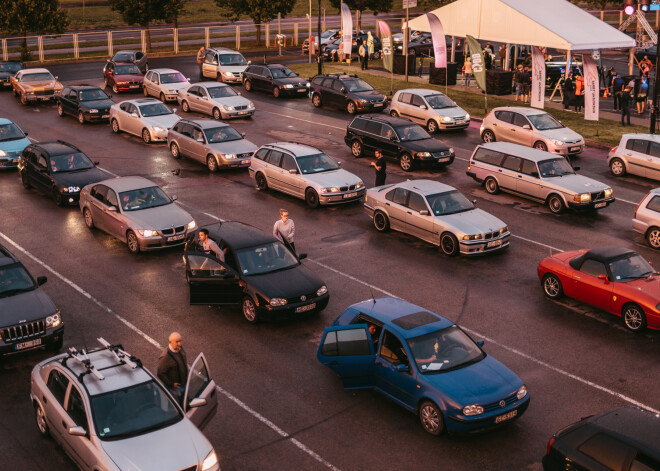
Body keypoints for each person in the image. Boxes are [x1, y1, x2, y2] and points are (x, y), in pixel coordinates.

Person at [157, 332, 188, 406]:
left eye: (180, 341)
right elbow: (160, 373)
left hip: (184, 383)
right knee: (176, 407)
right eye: (177, 342)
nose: (180, 344)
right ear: (170, 342)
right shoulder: (165, 357)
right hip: (175, 389)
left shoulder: (179, 348)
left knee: (185, 403)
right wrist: (171, 384)